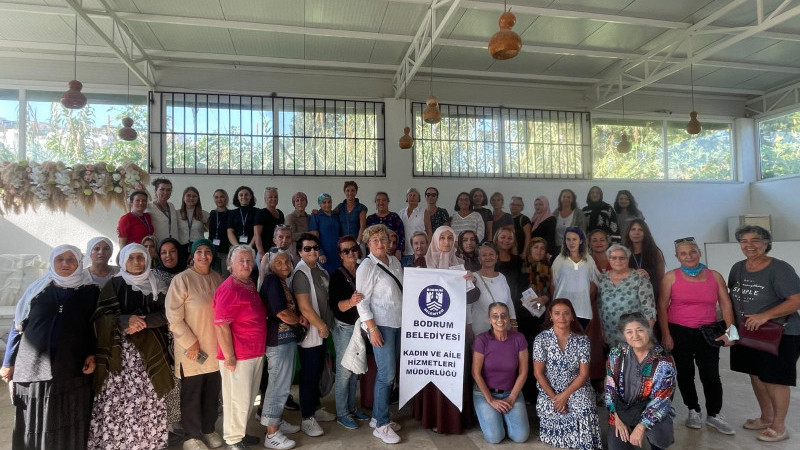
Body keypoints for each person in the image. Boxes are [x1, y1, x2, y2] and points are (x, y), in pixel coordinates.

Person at [2, 245, 98, 450]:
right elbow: (18, 325)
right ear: (52, 262)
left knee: (69, 417)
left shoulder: (90, 292)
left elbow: (97, 327)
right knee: (33, 418)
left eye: (70, 259)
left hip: (73, 369)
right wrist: (8, 362)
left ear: (79, 263)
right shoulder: (37, 289)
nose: (65, 264)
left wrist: (93, 353)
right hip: (32, 367)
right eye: (59, 259)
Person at [89, 243, 173, 449]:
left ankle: (149, 442)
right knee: (119, 400)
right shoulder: (114, 284)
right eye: (131, 258)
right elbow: (100, 316)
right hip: (121, 356)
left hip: (152, 351)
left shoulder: (158, 283)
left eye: (141, 257)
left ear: (147, 259)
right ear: (123, 261)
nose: (137, 262)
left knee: (150, 398)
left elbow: (168, 313)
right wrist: (125, 320)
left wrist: (142, 322)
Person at [728, 225, 800, 443]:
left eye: (756, 240)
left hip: (781, 334)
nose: (750, 245)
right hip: (748, 333)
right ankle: (766, 417)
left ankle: (779, 427)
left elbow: (796, 300)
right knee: (757, 376)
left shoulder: (780, 269)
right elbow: (731, 299)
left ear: (767, 243)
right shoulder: (738, 268)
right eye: (744, 241)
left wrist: (764, 316)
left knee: (775, 380)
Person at [658, 237, 736, 435]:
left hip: (708, 332)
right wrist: (666, 334)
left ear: (699, 252)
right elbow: (662, 306)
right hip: (679, 331)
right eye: (683, 253)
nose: (689, 256)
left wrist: (731, 331)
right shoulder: (670, 277)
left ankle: (714, 414)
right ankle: (693, 410)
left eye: (692, 251)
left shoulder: (714, 276)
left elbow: (726, 304)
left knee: (711, 374)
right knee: (685, 374)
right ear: (677, 257)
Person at [414, 226, 477, 435]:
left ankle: (454, 419)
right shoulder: (421, 265)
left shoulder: (459, 266)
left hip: (454, 332)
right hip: (431, 333)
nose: (447, 242)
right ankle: (433, 417)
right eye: (442, 238)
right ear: (435, 240)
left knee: (453, 372)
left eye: (450, 238)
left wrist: (471, 282)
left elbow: (471, 299)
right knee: (435, 372)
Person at [165, 239, 225, 450]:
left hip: (216, 348)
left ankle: (208, 429)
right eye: (198, 251)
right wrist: (190, 343)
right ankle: (192, 436)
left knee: (212, 392)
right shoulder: (182, 280)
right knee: (192, 394)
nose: (203, 255)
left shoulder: (218, 278)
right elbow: (174, 317)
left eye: (207, 251)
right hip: (193, 350)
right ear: (192, 255)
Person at [214, 245, 267, 449]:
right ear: (230, 264)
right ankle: (233, 440)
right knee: (237, 399)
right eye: (241, 261)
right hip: (238, 355)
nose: (246, 264)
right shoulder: (229, 288)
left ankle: (241, 433)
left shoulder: (248, 283)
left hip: (254, 352)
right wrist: (229, 356)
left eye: (248, 260)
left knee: (249, 398)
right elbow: (221, 325)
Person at [533, 298, 602, 450]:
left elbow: (583, 375)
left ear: (572, 316)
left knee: (584, 406)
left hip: (576, 388)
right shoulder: (541, 340)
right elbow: (538, 373)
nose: (562, 318)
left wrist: (564, 396)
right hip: (550, 391)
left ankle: (586, 445)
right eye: (557, 313)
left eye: (566, 313)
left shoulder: (582, 340)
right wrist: (555, 398)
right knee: (550, 408)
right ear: (550, 316)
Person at [356, 224, 403, 444]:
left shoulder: (394, 262)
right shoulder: (366, 266)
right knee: (386, 374)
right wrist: (372, 328)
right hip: (380, 325)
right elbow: (362, 301)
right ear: (368, 244)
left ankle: (377, 417)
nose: (380, 244)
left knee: (388, 373)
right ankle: (382, 425)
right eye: (375, 240)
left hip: (397, 323)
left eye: (383, 239)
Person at [605, 313, 676, 450]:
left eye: (640, 330)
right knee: (617, 446)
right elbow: (610, 387)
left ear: (648, 330)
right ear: (623, 335)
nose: (635, 336)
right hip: (623, 409)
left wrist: (641, 426)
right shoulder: (616, 353)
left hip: (652, 408)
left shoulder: (663, 360)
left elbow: (663, 398)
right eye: (629, 332)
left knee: (659, 436)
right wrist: (616, 416)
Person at [260, 251, 305, 450]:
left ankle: (276, 422)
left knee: (282, 385)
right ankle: (271, 434)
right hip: (278, 339)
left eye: (287, 261)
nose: (285, 264)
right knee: (278, 386)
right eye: (279, 262)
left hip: (284, 339)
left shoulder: (281, 282)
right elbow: (282, 313)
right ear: (271, 266)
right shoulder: (272, 281)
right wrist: (300, 320)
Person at [293, 233, 337, 437]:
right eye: (307, 248)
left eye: (315, 247)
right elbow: (305, 307)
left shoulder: (319, 269)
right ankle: (307, 418)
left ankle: (316, 408)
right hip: (312, 332)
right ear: (300, 252)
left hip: (322, 331)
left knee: (318, 370)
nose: (312, 251)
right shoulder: (301, 273)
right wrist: (321, 326)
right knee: (309, 375)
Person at [327, 236, 370, 429]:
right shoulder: (336, 276)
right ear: (340, 255)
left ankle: (351, 408)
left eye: (353, 249)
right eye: (346, 251)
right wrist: (351, 302)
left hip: (359, 327)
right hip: (344, 327)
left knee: (354, 370)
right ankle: (342, 412)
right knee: (344, 371)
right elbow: (336, 307)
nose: (351, 253)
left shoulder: (363, 270)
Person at [472, 302, 529, 444]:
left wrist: (512, 398)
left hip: (511, 392)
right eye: (495, 316)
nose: (499, 320)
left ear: (509, 318)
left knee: (521, 437)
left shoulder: (518, 338)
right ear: (489, 320)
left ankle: (501, 417)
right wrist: (491, 400)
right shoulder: (482, 340)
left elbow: (523, 371)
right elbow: (475, 373)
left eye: (503, 316)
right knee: (495, 438)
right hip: (485, 394)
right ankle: (493, 417)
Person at [598, 244, 656, 348]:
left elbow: (649, 309)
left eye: (622, 258)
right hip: (610, 335)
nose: (618, 261)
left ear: (628, 259)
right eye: (614, 258)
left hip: (635, 335)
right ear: (608, 259)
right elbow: (599, 307)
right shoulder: (602, 279)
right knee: (615, 364)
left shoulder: (639, 278)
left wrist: (647, 334)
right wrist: (601, 330)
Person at [552, 227, 598, 330]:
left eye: (574, 239)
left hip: (583, 311)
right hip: (562, 311)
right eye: (568, 239)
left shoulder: (588, 260)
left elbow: (595, 283)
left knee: (579, 341)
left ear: (581, 241)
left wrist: (583, 296)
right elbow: (553, 284)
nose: (571, 242)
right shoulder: (559, 259)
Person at [471, 242, 516, 335]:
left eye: (491, 254)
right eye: (484, 255)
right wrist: (468, 332)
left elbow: (509, 303)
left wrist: (514, 327)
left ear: (496, 257)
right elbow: (468, 308)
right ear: (479, 259)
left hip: (503, 331)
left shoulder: (502, 277)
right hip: (481, 333)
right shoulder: (473, 278)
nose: (488, 257)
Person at [623, 219, 665, 302]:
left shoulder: (655, 252)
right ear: (628, 232)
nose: (636, 233)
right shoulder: (622, 253)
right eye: (633, 229)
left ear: (645, 233)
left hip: (652, 298)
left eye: (640, 230)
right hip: (629, 299)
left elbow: (661, 280)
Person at [308, 193, 342, 275]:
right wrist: (320, 252)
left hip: (336, 254)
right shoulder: (316, 217)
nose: (327, 205)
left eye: (329, 202)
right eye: (324, 202)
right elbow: (313, 238)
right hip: (324, 255)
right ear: (320, 204)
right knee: (325, 279)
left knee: (337, 277)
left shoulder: (335, 216)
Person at [366, 192, 405, 260]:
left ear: (388, 202)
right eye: (378, 200)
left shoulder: (394, 217)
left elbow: (401, 235)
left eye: (384, 200)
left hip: (392, 254)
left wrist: (399, 251)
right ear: (375, 202)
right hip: (375, 254)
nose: (381, 202)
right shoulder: (370, 219)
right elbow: (367, 238)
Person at [399, 187, 432, 267]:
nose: (412, 197)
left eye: (414, 195)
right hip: (405, 250)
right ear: (407, 198)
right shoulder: (401, 212)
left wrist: (429, 248)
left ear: (419, 198)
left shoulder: (424, 212)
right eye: (410, 195)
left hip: (420, 250)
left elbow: (429, 230)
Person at [255, 187, 285, 261]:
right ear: (265, 199)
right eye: (270, 197)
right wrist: (261, 253)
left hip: (278, 251)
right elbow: (257, 235)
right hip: (265, 252)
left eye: (275, 197)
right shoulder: (261, 213)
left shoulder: (280, 213)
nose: (273, 199)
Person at [149, 178, 180, 243]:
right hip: (158, 245)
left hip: (174, 244)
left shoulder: (171, 206)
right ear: (155, 191)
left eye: (168, 190)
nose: (165, 192)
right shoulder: (149, 207)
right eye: (162, 189)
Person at [208, 189, 231, 276]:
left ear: (226, 198)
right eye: (216, 197)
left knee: (225, 276)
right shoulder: (212, 213)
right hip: (213, 251)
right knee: (215, 276)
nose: (219, 199)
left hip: (226, 251)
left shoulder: (230, 213)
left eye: (222, 197)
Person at [226, 186, 257, 250]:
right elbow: (230, 232)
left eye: (246, 195)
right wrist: (237, 247)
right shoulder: (232, 213)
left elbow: (257, 232)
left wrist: (250, 246)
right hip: (236, 248)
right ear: (237, 197)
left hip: (253, 247)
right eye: (241, 195)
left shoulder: (257, 212)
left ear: (251, 196)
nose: (244, 197)